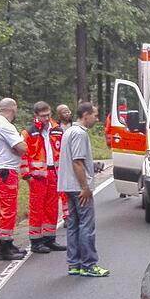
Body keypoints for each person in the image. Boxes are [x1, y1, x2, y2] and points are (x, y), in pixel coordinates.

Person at [57, 102, 108, 277]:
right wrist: (85, 187)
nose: (97, 118)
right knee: (86, 225)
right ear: (85, 114)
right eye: (95, 114)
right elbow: (77, 162)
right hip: (78, 186)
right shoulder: (79, 134)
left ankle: (74, 264)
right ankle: (89, 264)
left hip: (67, 185)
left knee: (73, 225)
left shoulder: (69, 131)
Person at [20, 102, 67, 253]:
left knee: (52, 208)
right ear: (36, 116)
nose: (46, 118)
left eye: (48, 115)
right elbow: (23, 155)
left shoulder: (57, 130)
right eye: (43, 116)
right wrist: (27, 176)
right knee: (37, 208)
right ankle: (36, 241)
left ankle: (49, 238)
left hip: (54, 173)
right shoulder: (29, 132)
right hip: (37, 176)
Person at [0, 98, 28, 261]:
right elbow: (22, 148)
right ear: (13, 108)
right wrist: (22, 143)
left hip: (3, 170)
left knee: (9, 208)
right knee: (8, 209)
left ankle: (8, 242)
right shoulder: (5, 126)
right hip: (5, 171)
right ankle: (4, 248)